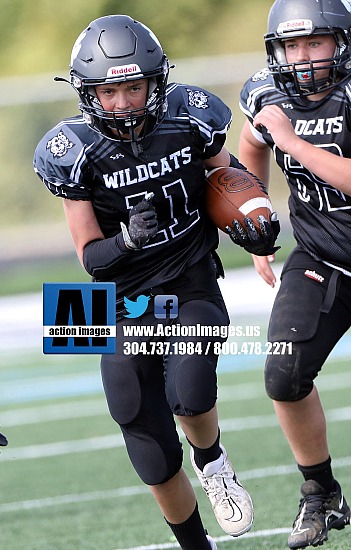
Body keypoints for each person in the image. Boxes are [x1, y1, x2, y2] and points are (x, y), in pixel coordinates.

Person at [34, 15, 279, 549]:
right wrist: (126, 241)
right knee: (144, 439)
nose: (122, 102)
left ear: (156, 80)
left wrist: (255, 218)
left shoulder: (188, 114)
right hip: (108, 300)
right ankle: (195, 545)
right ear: (87, 92)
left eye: (133, 86)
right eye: (109, 90)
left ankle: (213, 461)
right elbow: (90, 260)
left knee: (189, 396)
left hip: (188, 277)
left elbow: (230, 178)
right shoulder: (71, 149)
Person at [238, 0, 351, 548]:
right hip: (323, 256)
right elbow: (250, 146)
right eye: (291, 46)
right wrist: (255, 219)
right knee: (284, 374)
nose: (302, 58)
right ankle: (321, 494)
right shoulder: (267, 93)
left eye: (315, 44)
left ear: (342, 42)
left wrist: (293, 142)